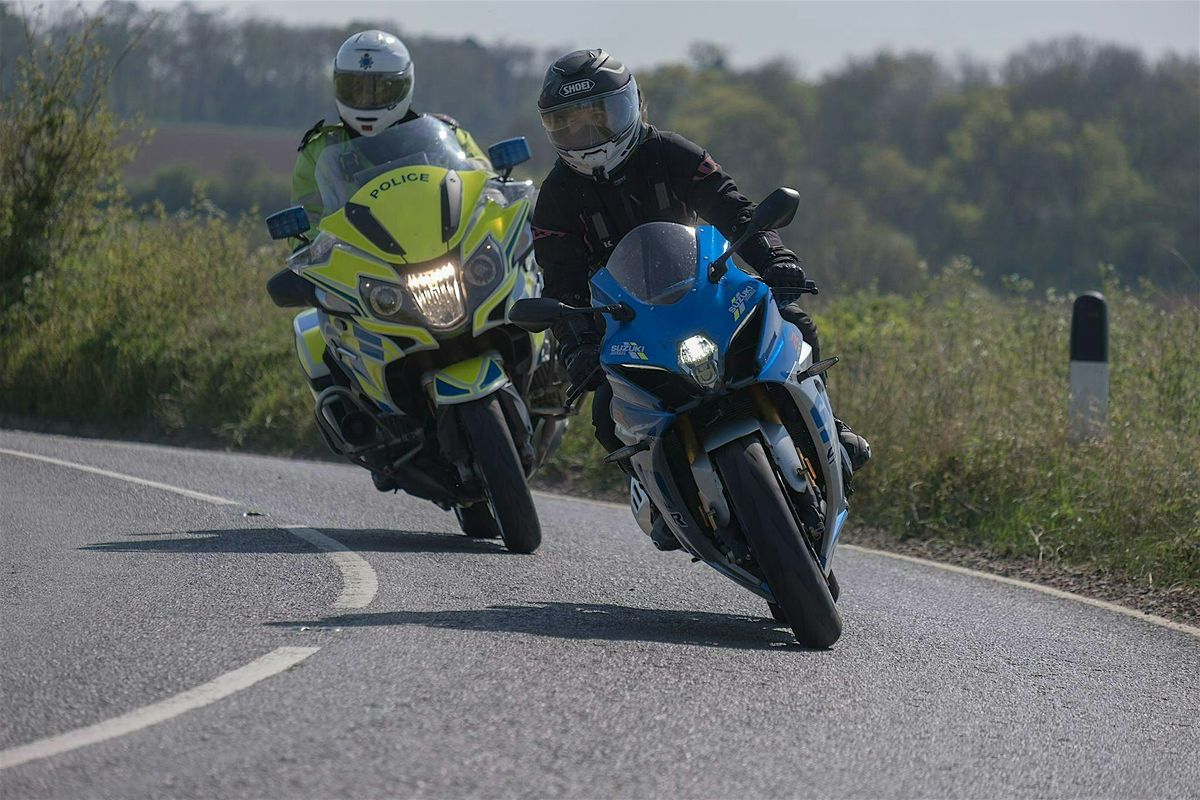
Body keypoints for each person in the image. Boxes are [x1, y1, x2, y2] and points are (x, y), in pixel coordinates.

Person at [531, 49, 871, 547]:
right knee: (606, 408)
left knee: (796, 323)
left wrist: (777, 259)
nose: (588, 136)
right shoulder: (556, 196)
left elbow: (734, 209)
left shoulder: (671, 152)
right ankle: (657, 491)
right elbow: (558, 281)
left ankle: (828, 429)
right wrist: (577, 344)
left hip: (709, 289)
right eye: (571, 125)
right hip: (628, 323)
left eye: (598, 117)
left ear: (632, 106)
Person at [291, 30, 490, 228]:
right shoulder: (319, 151)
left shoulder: (445, 136)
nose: (367, 98)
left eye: (382, 88)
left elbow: (488, 187)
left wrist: (493, 187)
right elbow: (306, 223)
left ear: (405, 84)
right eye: (355, 88)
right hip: (353, 257)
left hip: (443, 247)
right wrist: (319, 245)